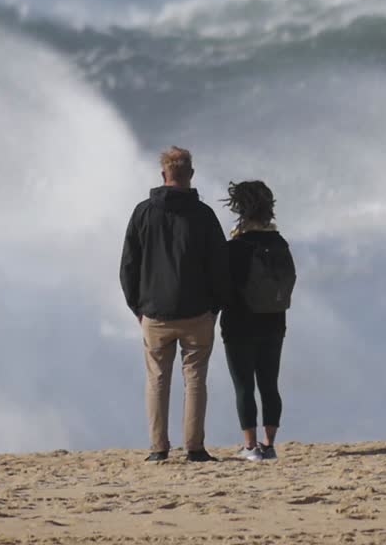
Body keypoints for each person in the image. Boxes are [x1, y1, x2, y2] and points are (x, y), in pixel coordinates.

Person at [120, 146, 230, 463]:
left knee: (157, 380)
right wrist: (215, 306)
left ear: (163, 174)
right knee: (195, 380)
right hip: (197, 312)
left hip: (155, 312)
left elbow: (128, 265)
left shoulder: (143, 212)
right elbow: (220, 266)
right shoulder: (204, 215)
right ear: (190, 175)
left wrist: (137, 307)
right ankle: (194, 448)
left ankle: (158, 448)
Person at [220, 180, 295, 462]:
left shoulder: (235, 247)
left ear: (239, 209)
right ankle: (269, 444)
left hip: (239, 323)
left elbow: (223, 287)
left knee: (244, 387)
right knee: (269, 384)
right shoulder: (280, 243)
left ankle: (250, 446)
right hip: (274, 322)